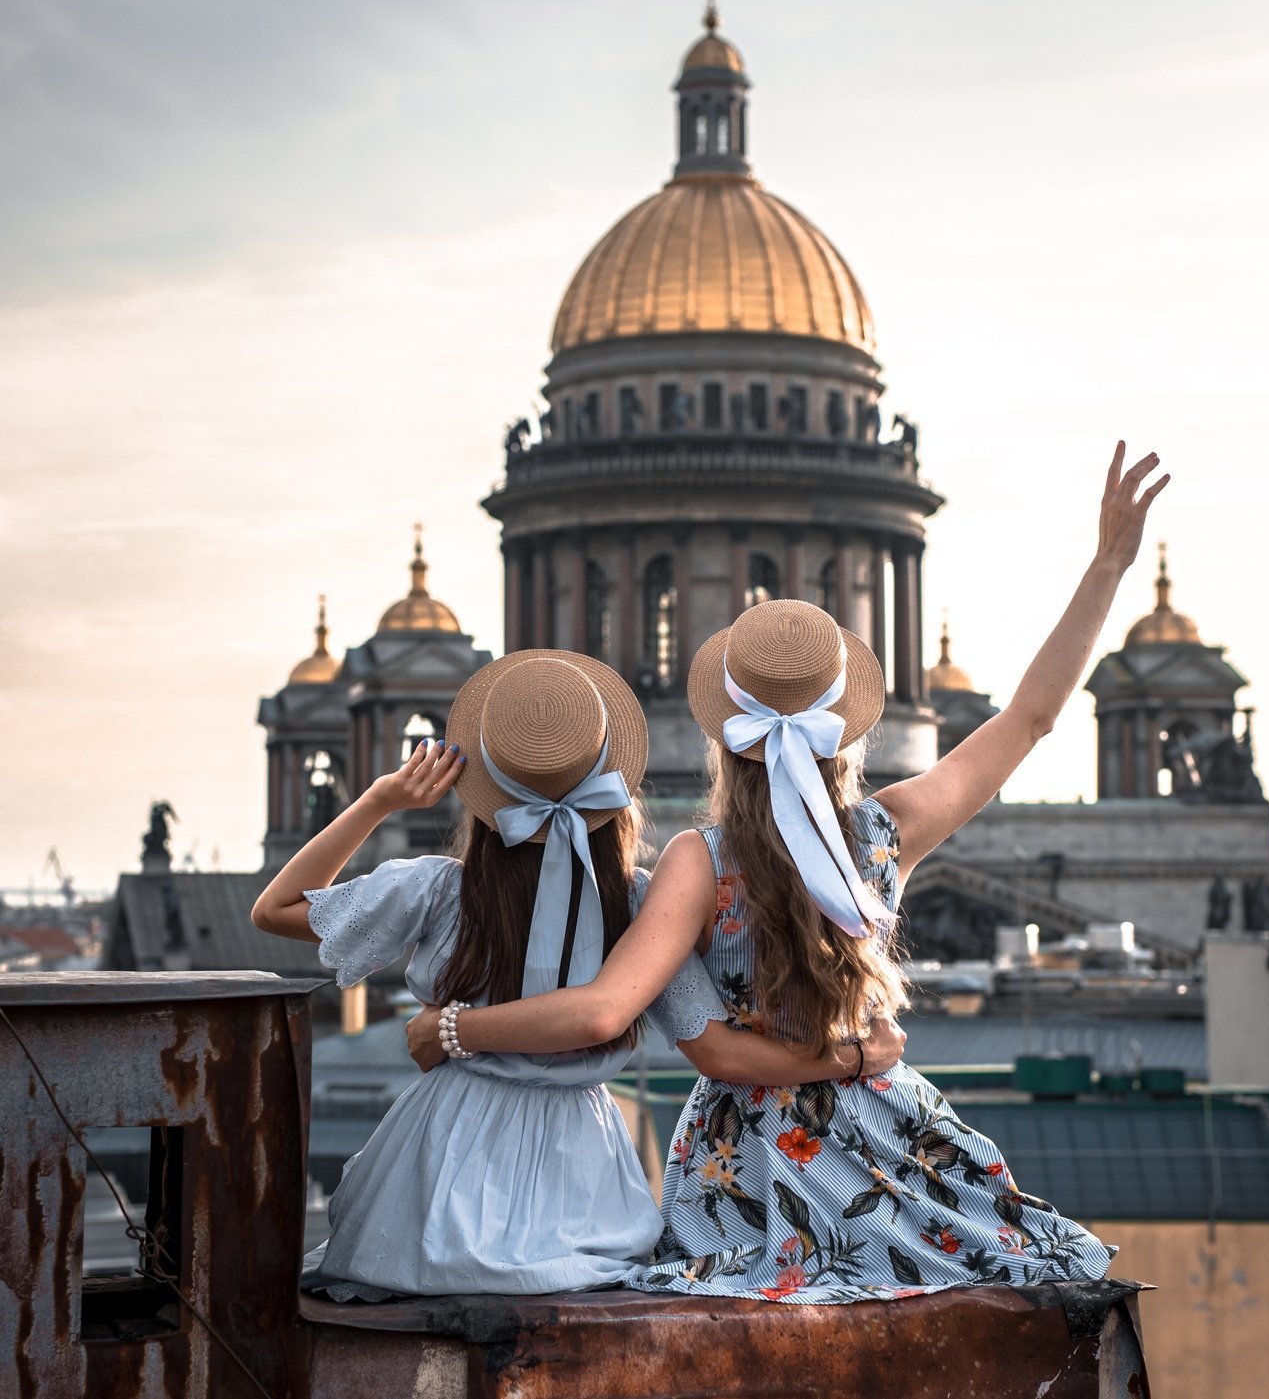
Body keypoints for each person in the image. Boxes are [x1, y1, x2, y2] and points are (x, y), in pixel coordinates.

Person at [405, 445, 1168, 1302]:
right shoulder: (888, 831)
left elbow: (622, 1017)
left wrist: (452, 1029)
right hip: (893, 1133)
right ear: (849, 724)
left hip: (754, 1170)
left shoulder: (697, 863)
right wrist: (1108, 563)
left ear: (720, 729)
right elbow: (1031, 718)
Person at [252, 649, 905, 1301]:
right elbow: (712, 1044)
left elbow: (276, 909)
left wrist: (379, 798)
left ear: (483, 789)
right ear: (614, 788)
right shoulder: (645, 906)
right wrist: (851, 1056)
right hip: (584, 1171)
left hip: (441, 1154)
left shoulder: (438, 890)